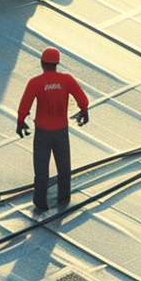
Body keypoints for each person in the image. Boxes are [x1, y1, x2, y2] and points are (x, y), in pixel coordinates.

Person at [16, 47, 89, 212]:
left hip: (43, 132)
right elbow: (82, 99)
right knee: (63, 166)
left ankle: (40, 202)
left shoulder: (35, 83)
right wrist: (84, 110)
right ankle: (63, 199)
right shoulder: (67, 80)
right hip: (61, 131)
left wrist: (21, 121)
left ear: (42, 63)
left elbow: (25, 105)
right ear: (57, 63)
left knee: (41, 168)